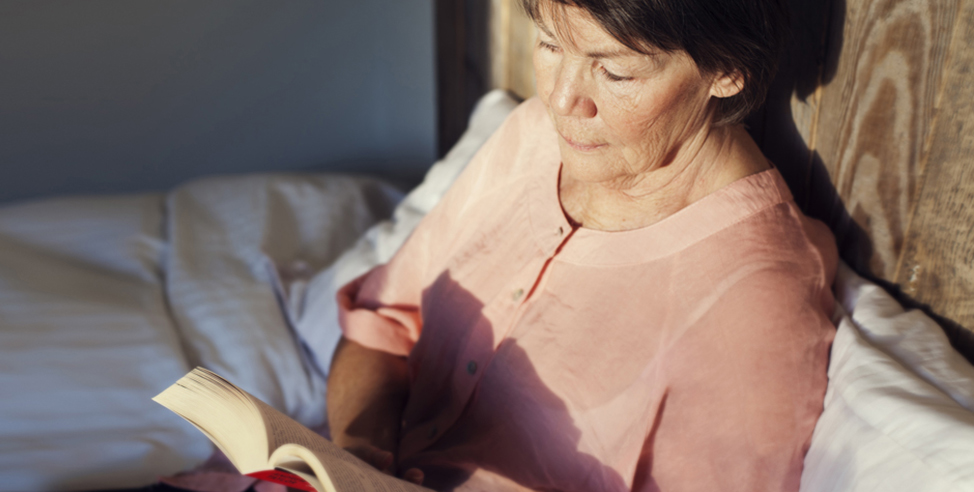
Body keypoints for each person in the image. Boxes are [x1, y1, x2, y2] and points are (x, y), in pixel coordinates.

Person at [327, 0, 836, 490]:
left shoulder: (755, 302)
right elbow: (381, 326)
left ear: (726, 69)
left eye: (614, 73)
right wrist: (358, 457)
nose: (562, 99)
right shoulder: (532, 136)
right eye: (549, 45)